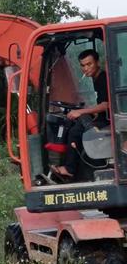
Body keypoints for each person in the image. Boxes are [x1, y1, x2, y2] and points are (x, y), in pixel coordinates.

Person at [51, 49, 110, 179]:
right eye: (83, 65)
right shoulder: (96, 78)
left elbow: (106, 105)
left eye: (89, 64)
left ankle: (70, 168)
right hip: (102, 117)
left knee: (75, 131)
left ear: (97, 62)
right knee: (76, 124)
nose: (86, 68)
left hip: (108, 121)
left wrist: (80, 111)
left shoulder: (102, 78)